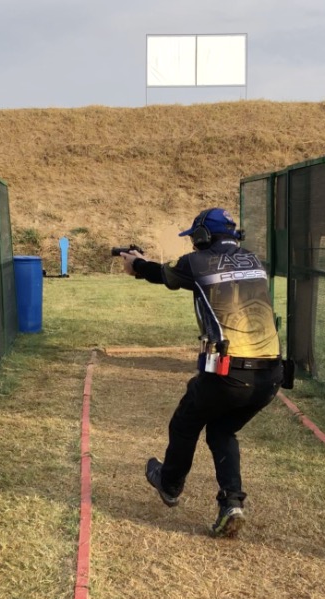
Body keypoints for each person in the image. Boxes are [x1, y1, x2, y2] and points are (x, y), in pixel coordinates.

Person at [119, 207, 287, 538]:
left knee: (184, 423)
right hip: (271, 375)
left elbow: (160, 274)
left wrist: (136, 264)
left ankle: (169, 484)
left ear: (202, 236)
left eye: (195, 237)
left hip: (229, 373)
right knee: (221, 431)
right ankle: (232, 503)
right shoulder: (254, 260)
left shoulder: (196, 262)